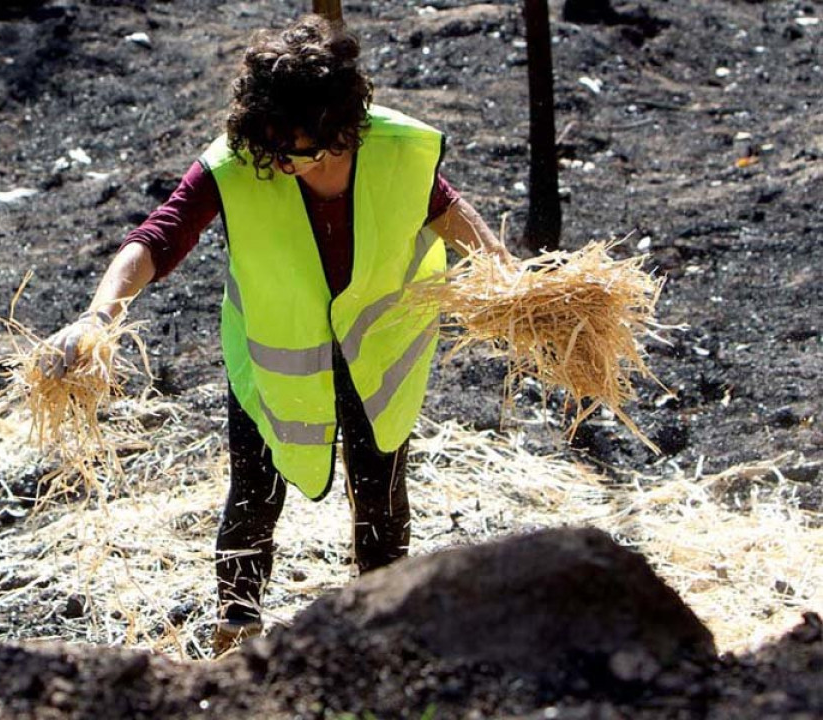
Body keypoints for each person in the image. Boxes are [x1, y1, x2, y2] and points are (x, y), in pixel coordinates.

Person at [44, 14, 515, 654]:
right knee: (254, 493)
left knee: (379, 493)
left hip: (378, 352)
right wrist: (100, 316)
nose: (292, 165)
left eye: (308, 151)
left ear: (344, 127)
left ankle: (383, 631)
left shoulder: (396, 151)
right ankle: (236, 628)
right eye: (281, 150)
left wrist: (510, 279)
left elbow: (446, 210)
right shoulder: (237, 164)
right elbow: (156, 238)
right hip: (276, 360)